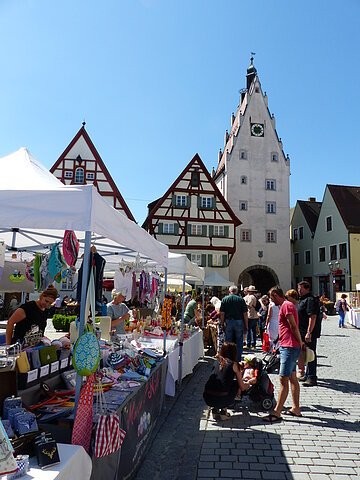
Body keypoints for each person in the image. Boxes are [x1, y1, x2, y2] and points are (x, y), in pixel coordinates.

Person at [263, 286, 303, 422]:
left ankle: (277, 412)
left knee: (283, 379)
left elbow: (293, 326)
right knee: (292, 378)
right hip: (289, 345)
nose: (270, 300)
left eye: (271, 297)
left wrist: (300, 342)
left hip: (289, 346)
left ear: (275, 294)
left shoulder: (286, 306)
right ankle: (296, 408)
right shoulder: (288, 305)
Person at [203, 342, 245, 420]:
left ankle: (215, 410)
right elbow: (242, 387)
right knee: (235, 383)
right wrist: (247, 385)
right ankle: (223, 411)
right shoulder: (234, 364)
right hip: (222, 398)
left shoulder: (216, 362)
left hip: (207, 397)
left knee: (219, 383)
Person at [297, 281, 321, 386]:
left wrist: (309, 332)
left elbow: (313, 316)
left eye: (301, 289)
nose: (299, 291)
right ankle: (307, 374)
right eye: (298, 289)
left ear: (307, 288)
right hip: (302, 331)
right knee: (306, 354)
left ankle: (312, 377)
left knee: (311, 354)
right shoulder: (303, 299)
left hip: (308, 332)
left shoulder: (310, 300)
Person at [220, 285, 248, 361]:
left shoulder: (224, 299)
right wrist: (246, 325)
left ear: (229, 291)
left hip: (228, 321)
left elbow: (222, 313)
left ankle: (228, 358)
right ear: (236, 291)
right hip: (239, 321)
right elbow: (245, 314)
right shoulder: (241, 300)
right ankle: (238, 359)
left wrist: (222, 323)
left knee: (228, 341)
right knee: (239, 341)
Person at [244, 285, 258, 350]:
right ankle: (254, 344)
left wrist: (244, 303)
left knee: (249, 330)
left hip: (250, 315)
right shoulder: (255, 296)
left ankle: (249, 344)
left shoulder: (250, 297)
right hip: (255, 315)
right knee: (254, 331)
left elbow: (249, 306)